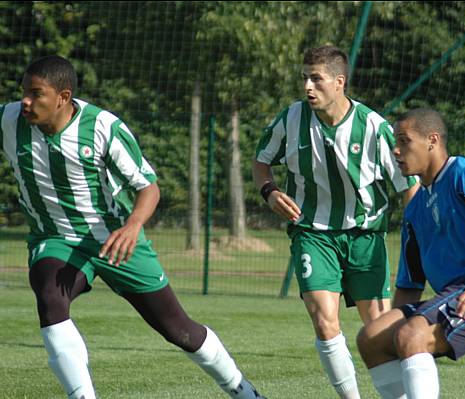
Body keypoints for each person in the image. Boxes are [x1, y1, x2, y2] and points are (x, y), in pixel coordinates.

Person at [0, 55, 265, 399]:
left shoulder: (102, 128)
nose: (26, 101)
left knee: (178, 330)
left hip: (117, 240)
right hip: (55, 240)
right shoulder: (10, 120)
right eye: (24, 92)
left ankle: (244, 391)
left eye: (36, 94)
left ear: (63, 97)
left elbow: (148, 188)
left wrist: (132, 226)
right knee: (50, 297)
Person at [252, 45, 418, 399]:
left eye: (317, 79)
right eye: (304, 78)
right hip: (312, 232)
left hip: (365, 237)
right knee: (324, 321)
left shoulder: (374, 127)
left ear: (339, 82)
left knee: (377, 331)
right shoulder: (290, 119)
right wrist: (269, 191)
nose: (308, 87)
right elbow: (261, 161)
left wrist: (418, 236)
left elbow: (409, 185)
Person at [355, 108, 465, 399]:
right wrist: (393, 330)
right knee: (372, 338)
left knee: (412, 335)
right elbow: (410, 284)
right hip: (455, 292)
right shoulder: (414, 210)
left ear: (432, 140)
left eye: (404, 140)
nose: (396, 151)